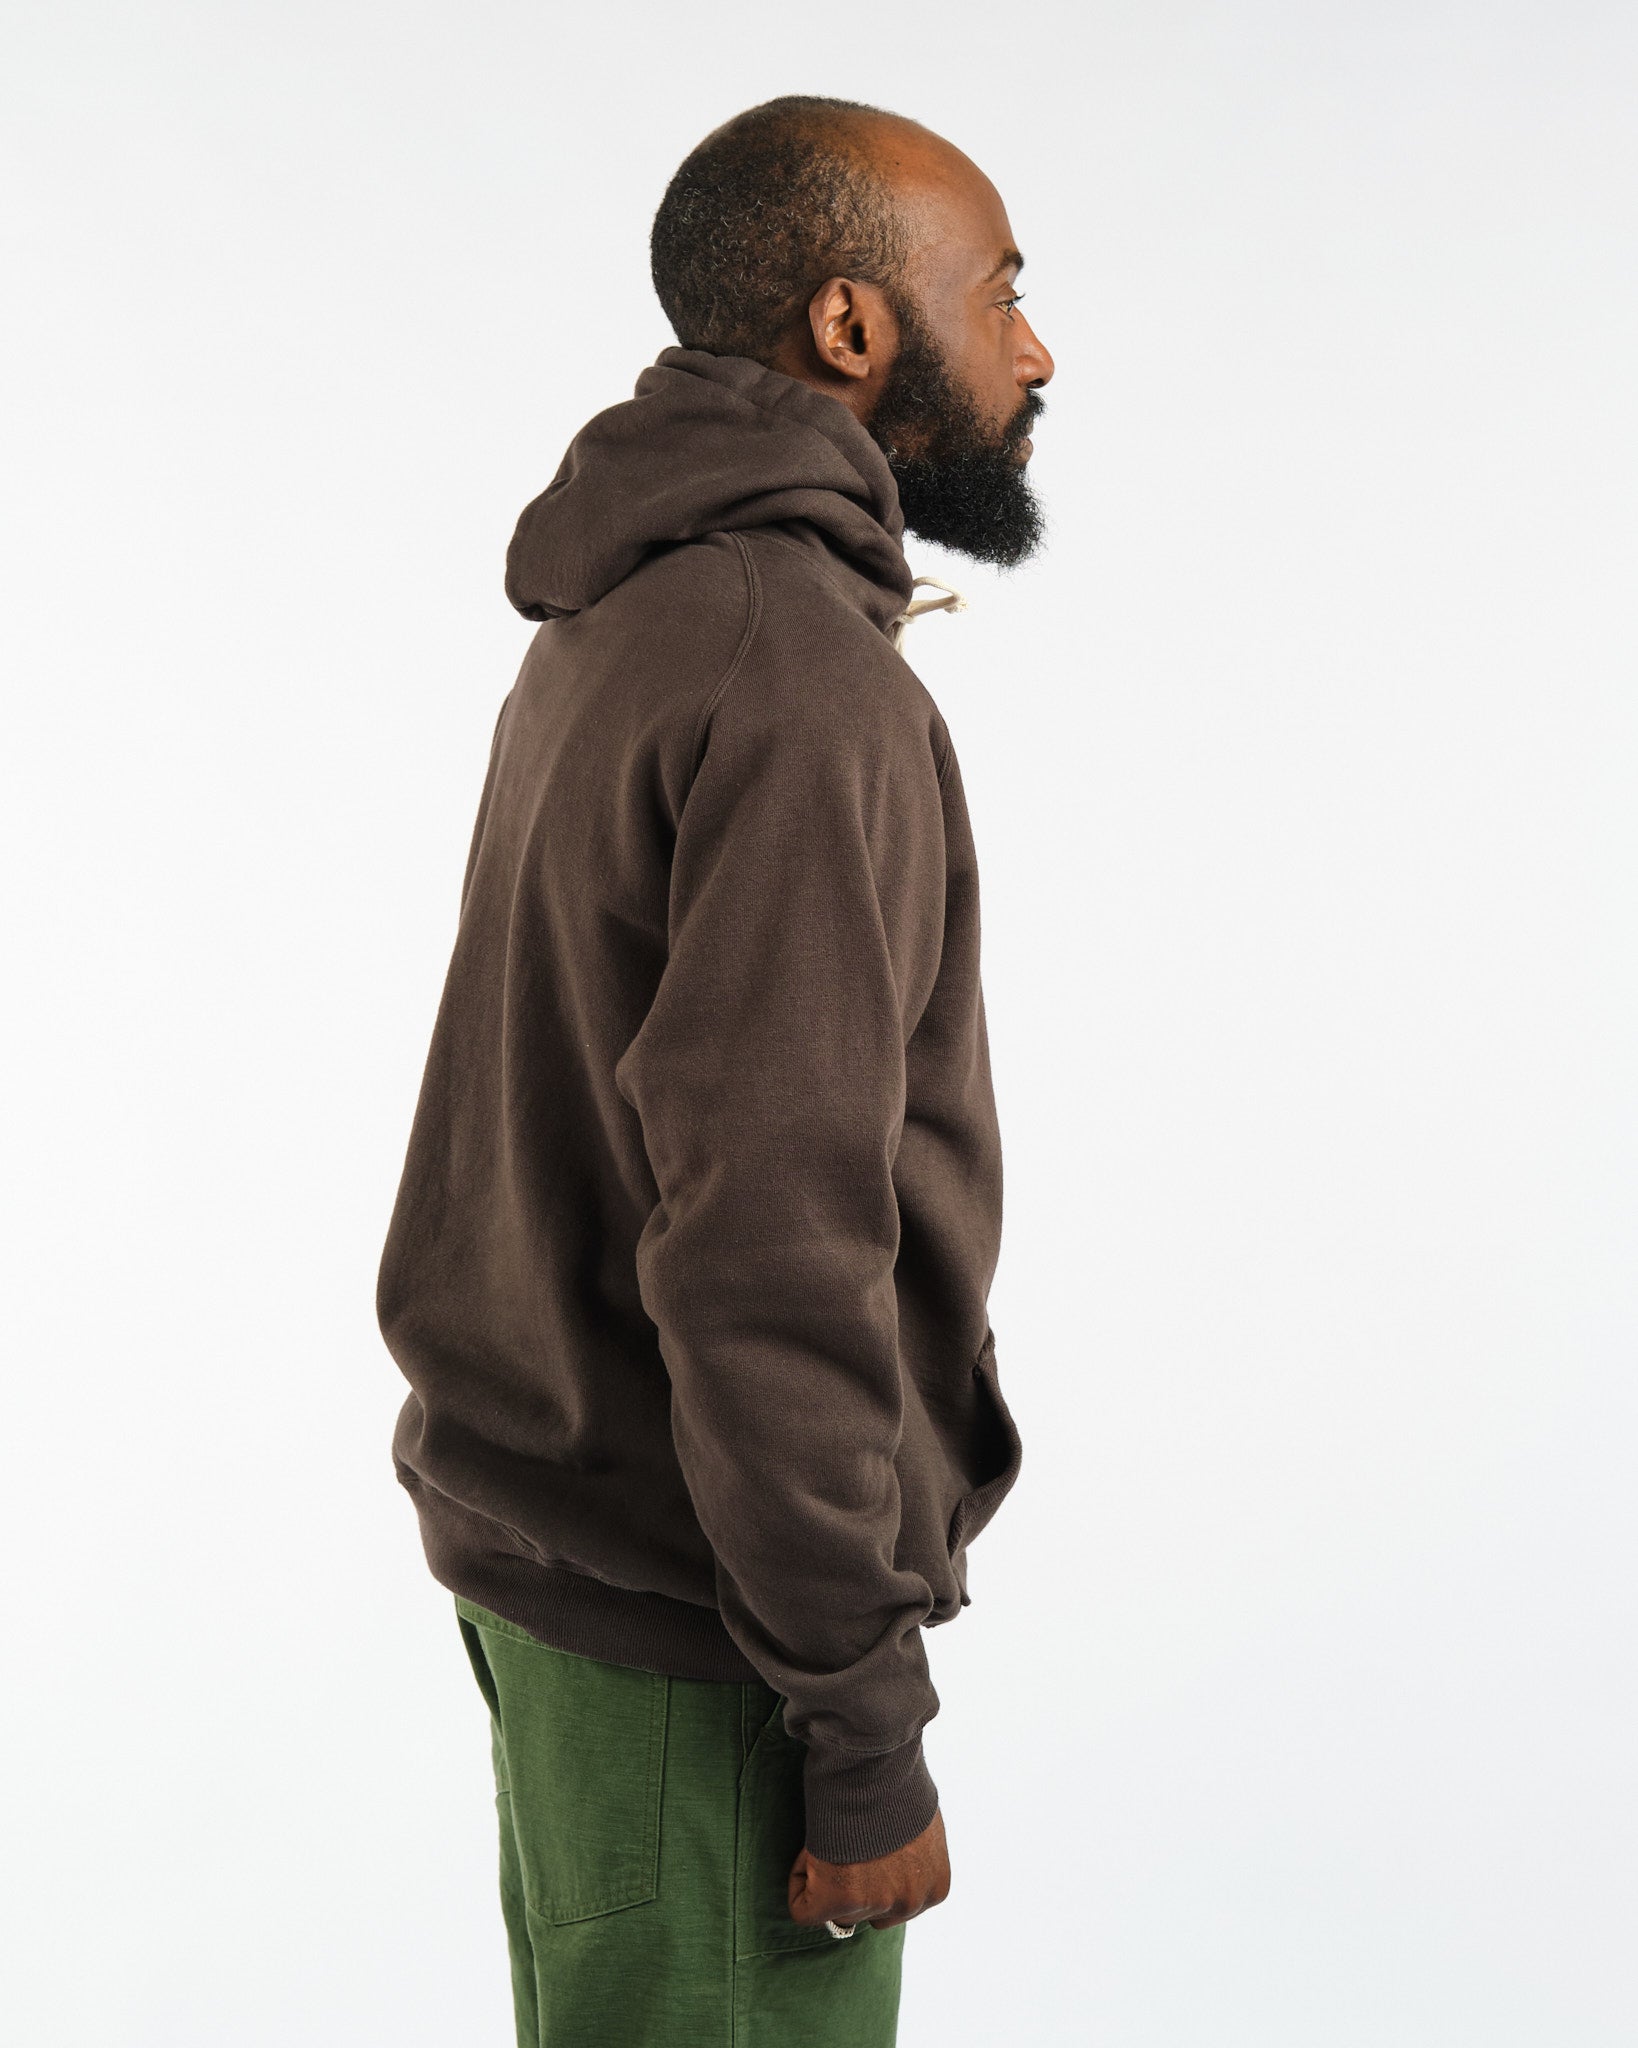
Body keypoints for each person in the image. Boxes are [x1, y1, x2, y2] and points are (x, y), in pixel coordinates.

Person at [376, 92, 1054, 2047]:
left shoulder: (636, 606)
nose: (1033, 351)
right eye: (999, 293)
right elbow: (767, 1245)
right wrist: (860, 1724)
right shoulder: (794, 675)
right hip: (715, 1639)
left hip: (576, 1566)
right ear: (851, 326)